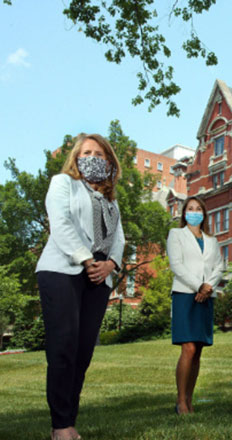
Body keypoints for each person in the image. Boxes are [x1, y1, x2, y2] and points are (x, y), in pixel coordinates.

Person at [36, 134, 125, 440]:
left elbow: (120, 239)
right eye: (86, 152)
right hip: (63, 269)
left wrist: (111, 265)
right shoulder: (63, 183)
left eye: (99, 153)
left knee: (83, 352)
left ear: (109, 161)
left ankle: (69, 421)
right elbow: (60, 224)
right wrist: (88, 260)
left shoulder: (111, 200)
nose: (93, 157)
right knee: (63, 346)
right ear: (76, 158)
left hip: (99, 277)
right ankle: (60, 425)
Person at [167, 196, 224, 415]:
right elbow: (176, 265)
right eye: (190, 208)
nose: (194, 211)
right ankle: (181, 401)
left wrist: (208, 286)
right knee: (188, 348)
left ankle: (190, 400)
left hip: (206, 296)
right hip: (185, 294)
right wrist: (198, 286)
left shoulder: (212, 240)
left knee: (198, 350)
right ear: (184, 213)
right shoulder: (176, 235)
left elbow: (218, 267)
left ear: (204, 213)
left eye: (198, 208)